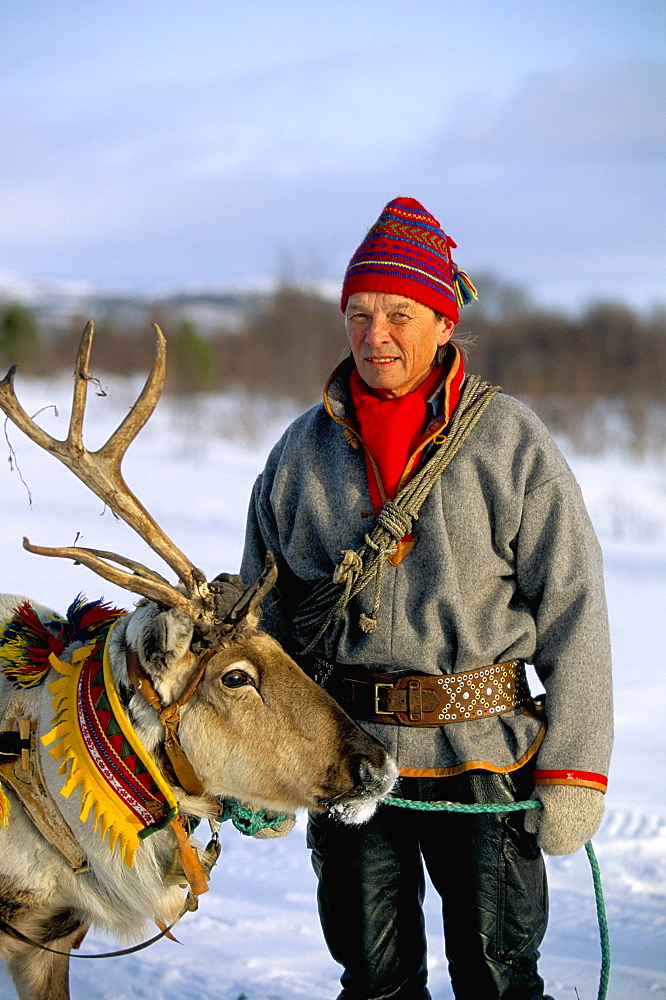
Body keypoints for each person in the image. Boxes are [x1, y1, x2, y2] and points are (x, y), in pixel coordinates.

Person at [240, 197, 613, 1000]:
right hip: (343, 752)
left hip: (485, 758)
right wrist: (267, 765)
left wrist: (576, 767)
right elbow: (261, 626)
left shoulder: (512, 443)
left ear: (444, 322)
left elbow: (575, 607)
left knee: (497, 978)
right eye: (360, 313)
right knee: (373, 981)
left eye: (399, 314)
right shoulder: (298, 455)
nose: (376, 335)